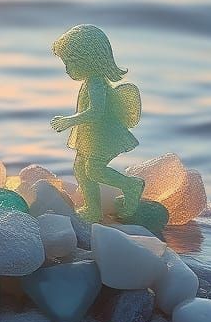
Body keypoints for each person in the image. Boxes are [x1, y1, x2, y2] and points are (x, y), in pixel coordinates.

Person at [50, 24, 144, 222]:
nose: (67, 69)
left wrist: (69, 121)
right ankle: (92, 209)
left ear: (88, 59)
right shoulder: (91, 81)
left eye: (71, 62)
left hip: (102, 136)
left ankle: (131, 186)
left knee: (94, 170)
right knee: (80, 169)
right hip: (91, 135)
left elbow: (96, 112)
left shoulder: (96, 83)